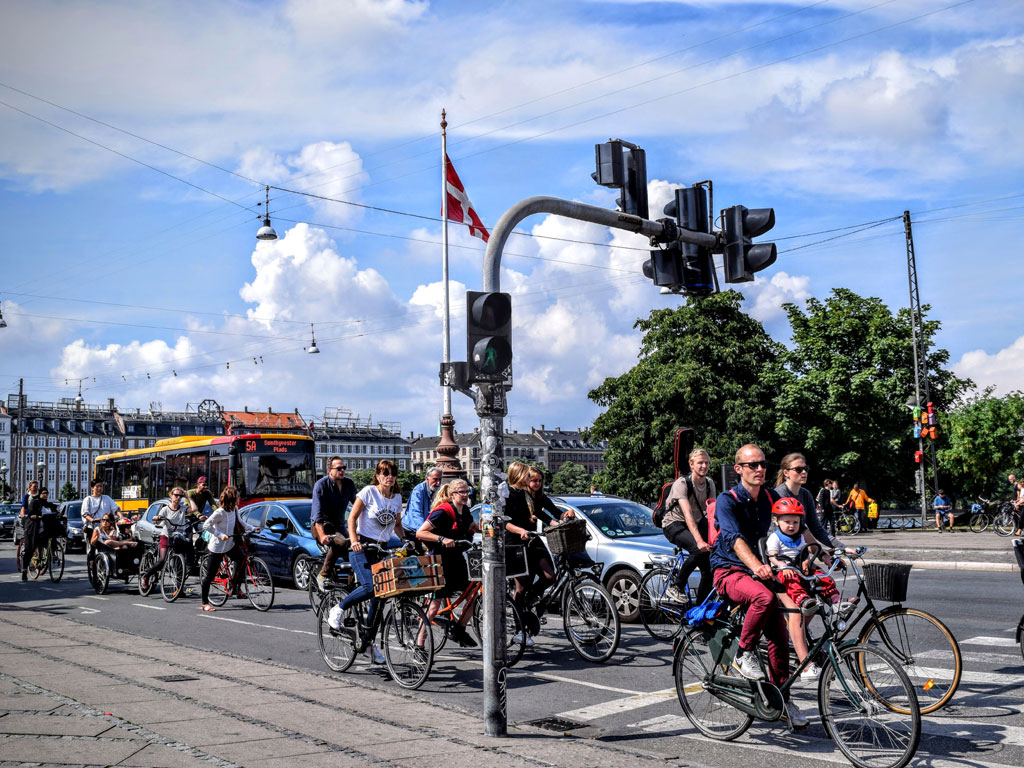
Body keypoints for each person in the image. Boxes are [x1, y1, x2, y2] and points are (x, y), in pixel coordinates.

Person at [710, 444, 807, 728]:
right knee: (764, 598)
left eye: (763, 464)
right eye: (752, 465)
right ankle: (744, 652)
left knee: (780, 637)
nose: (759, 469)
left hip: (757, 570)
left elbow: (794, 525)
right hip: (729, 570)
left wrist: (816, 551)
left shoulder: (769, 497)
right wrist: (757, 566)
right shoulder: (728, 500)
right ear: (738, 469)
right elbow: (733, 538)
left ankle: (782, 700)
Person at [766, 496, 854, 682]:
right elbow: (772, 556)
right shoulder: (775, 537)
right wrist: (783, 565)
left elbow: (811, 549)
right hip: (785, 573)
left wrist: (820, 559)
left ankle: (836, 600)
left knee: (823, 578)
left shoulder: (800, 535)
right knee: (795, 589)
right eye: (787, 522)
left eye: (795, 522)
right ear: (776, 521)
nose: (792, 525)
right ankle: (802, 605)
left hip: (801, 568)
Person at [340, 460, 404, 665]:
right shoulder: (369, 492)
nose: (389, 477)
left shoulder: (397, 498)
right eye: (385, 473)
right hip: (361, 548)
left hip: (381, 550)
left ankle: (368, 643)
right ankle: (339, 608)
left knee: (381, 598)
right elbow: (352, 519)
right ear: (377, 476)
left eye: (392, 473)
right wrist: (354, 541)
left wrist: (406, 541)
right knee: (371, 587)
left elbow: (397, 524)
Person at [417, 479, 478, 647]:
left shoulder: (465, 511)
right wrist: (442, 539)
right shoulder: (442, 512)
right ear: (452, 495)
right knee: (434, 606)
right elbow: (421, 533)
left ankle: (460, 629)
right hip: (439, 562)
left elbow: (473, 526)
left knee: (474, 594)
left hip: (457, 559)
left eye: (467, 491)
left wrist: (485, 529)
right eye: (461, 492)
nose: (465, 495)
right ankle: (419, 643)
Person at [505, 461, 560, 646]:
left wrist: (559, 521)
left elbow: (544, 514)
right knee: (521, 587)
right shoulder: (507, 494)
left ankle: (531, 599)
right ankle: (521, 630)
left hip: (531, 540)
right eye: (528, 477)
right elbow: (503, 521)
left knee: (550, 576)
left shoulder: (527, 495)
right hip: (514, 543)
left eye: (535, 479)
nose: (531, 481)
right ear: (518, 476)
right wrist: (520, 530)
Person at [660, 448, 717, 605]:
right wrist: (699, 540)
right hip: (673, 523)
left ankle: (700, 610)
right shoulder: (682, 483)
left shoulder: (709, 484)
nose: (704, 466)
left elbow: (712, 514)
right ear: (691, 464)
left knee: (709, 569)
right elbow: (687, 515)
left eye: (706, 463)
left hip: (695, 524)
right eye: (700, 463)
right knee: (698, 549)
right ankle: (676, 585)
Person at [200, 486, 257, 612]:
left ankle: (236, 587)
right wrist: (220, 535)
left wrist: (252, 528)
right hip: (217, 548)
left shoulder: (234, 509)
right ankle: (204, 603)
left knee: (242, 560)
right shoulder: (219, 512)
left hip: (230, 545)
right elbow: (206, 525)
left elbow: (240, 521)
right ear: (231, 498)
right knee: (209, 576)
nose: (239, 498)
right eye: (237, 496)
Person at [774, 454, 841, 549]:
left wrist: (842, 547)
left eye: (805, 468)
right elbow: (800, 530)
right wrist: (821, 553)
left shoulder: (806, 494)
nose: (804, 472)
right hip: (780, 551)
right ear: (786, 473)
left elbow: (816, 528)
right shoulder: (779, 494)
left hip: (798, 548)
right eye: (798, 469)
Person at [310, 457, 357, 589]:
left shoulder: (349, 484)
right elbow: (317, 514)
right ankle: (323, 574)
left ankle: (351, 588)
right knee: (341, 542)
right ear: (329, 470)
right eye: (339, 468)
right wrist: (322, 535)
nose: (342, 471)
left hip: (339, 526)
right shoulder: (321, 485)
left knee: (354, 551)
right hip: (322, 526)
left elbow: (358, 506)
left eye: (344, 468)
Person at [140, 486, 193, 592]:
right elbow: (158, 520)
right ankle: (145, 576)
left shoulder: (182, 508)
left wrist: (188, 497)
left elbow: (194, 509)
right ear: (171, 495)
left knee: (179, 563)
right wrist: (157, 518)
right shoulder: (165, 509)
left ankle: (179, 589)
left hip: (178, 537)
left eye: (180, 496)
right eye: (176, 495)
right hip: (166, 536)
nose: (178, 497)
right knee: (162, 561)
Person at [20, 487, 60, 580]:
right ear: (40, 494)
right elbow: (30, 512)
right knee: (29, 549)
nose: (45, 495)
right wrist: (34, 516)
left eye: (47, 493)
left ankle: (52, 554)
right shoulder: (35, 502)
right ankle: (25, 570)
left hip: (44, 529)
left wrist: (60, 514)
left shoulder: (49, 505)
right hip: (33, 528)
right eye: (43, 493)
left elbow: (56, 511)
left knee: (52, 536)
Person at [81, 479, 120, 561]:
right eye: (97, 486)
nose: (99, 488)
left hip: (107, 527)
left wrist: (121, 517)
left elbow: (115, 509)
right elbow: (85, 514)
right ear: (92, 488)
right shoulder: (88, 499)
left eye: (101, 486)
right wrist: (92, 520)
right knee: (93, 546)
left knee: (113, 543)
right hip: (93, 527)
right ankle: (92, 563)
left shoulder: (107, 498)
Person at [404, 467, 442, 542]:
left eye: (440, 479)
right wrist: (423, 532)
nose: (438, 483)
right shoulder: (418, 490)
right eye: (435, 479)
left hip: (425, 529)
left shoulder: (439, 489)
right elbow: (416, 512)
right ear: (427, 479)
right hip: (412, 529)